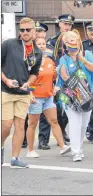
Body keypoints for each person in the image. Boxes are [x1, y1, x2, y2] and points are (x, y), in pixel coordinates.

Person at [1, 17, 42, 168]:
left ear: (34, 31)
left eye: (28, 30)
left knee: (20, 126)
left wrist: (28, 83)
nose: (24, 32)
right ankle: (1, 146)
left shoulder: (37, 52)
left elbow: (35, 73)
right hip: (6, 91)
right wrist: (6, 81)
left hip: (24, 94)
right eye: (22, 30)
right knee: (6, 125)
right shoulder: (9, 44)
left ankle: (15, 158)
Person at [26, 37, 71, 158]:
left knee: (54, 121)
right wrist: (29, 94)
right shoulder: (31, 60)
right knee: (33, 124)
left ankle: (62, 146)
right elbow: (26, 80)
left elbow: (53, 78)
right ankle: (30, 150)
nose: (41, 45)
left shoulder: (50, 61)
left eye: (43, 43)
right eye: (39, 43)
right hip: (36, 97)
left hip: (48, 96)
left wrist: (55, 84)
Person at [56, 30, 93, 162]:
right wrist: (70, 80)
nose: (73, 41)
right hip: (71, 96)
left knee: (84, 124)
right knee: (75, 123)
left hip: (87, 95)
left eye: (75, 38)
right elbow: (63, 77)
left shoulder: (87, 54)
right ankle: (75, 152)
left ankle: (79, 148)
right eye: (70, 39)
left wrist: (82, 59)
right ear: (66, 43)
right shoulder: (64, 58)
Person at [38, 14, 75, 150]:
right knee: (48, 110)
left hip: (71, 80)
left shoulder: (74, 40)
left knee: (65, 109)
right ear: (59, 24)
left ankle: (62, 130)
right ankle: (43, 139)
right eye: (64, 24)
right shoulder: (53, 42)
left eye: (69, 24)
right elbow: (48, 59)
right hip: (55, 80)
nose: (67, 26)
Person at [22, 21, 49, 149]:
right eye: (36, 31)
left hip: (45, 90)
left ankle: (43, 140)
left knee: (45, 116)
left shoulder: (49, 53)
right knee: (28, 116)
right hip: (30, 88)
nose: (38, 33)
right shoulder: (26, 50)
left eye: (40, 31)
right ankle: (24, 139)